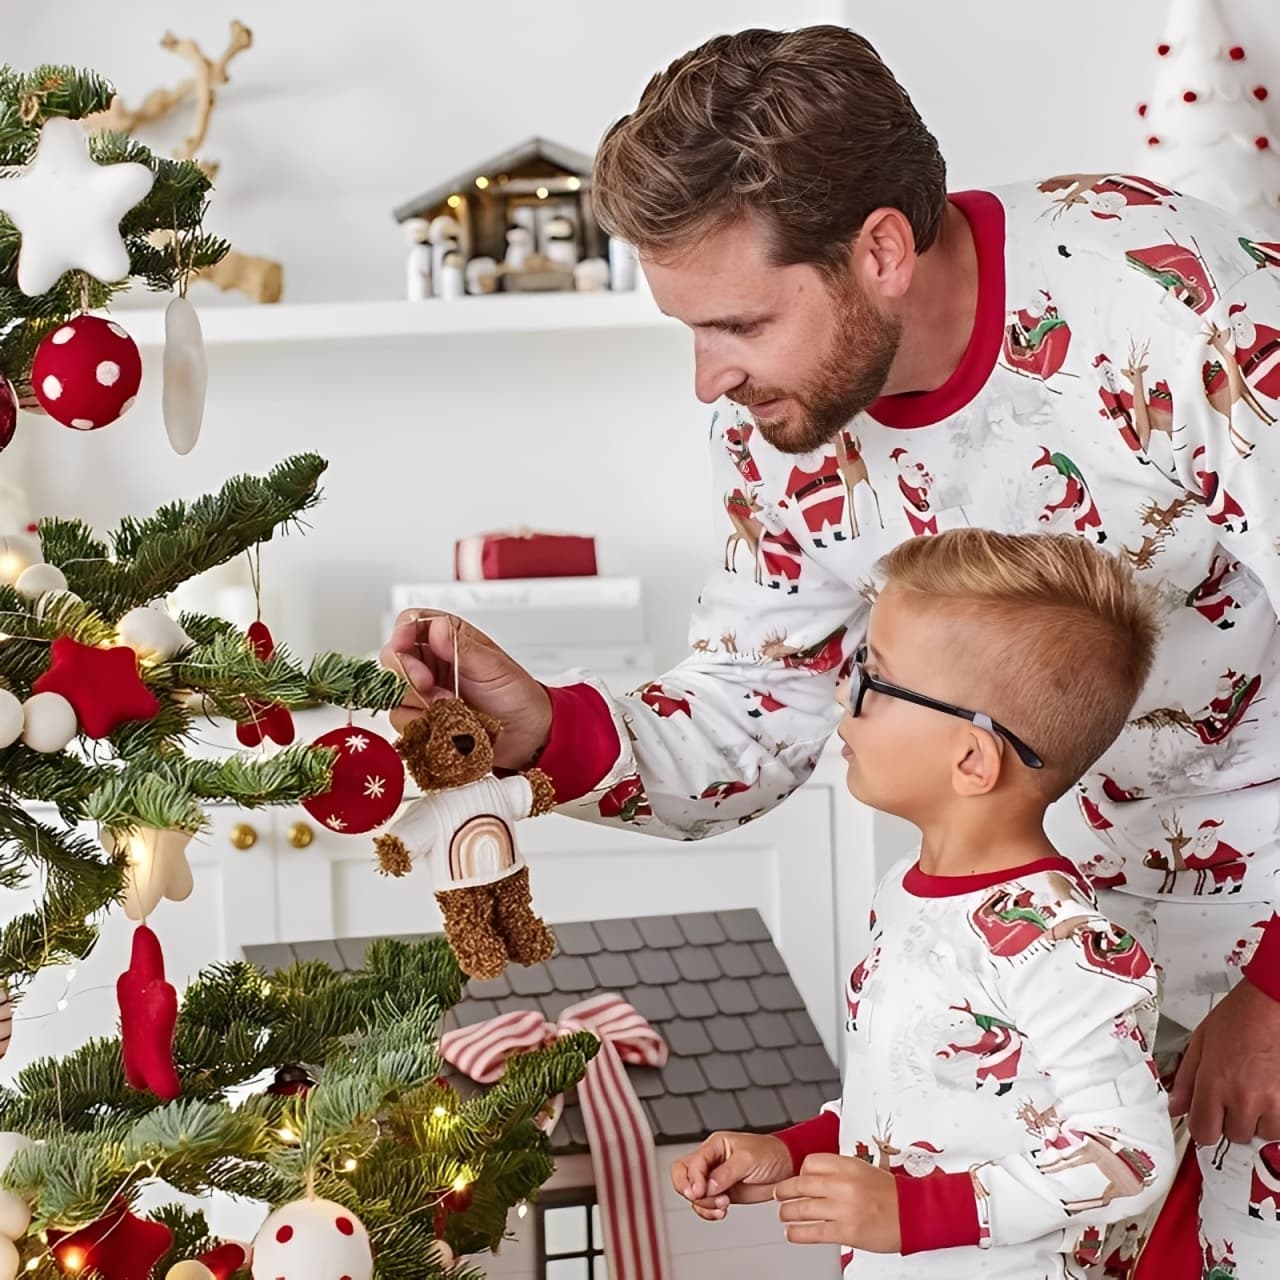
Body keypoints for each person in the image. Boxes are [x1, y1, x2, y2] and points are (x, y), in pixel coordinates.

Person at [381, 25, 1280, 1272]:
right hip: (1028, 930)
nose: (707, 379)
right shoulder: (777, 426)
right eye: (690, 330)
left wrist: (1274, 990)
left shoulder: (1171, 297)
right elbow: (753, 715)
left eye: (738, 321)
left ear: (880, 250)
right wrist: (543, 725)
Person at [672, 528, 1174, 1277]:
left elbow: (1129, 1155)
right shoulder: (903, 890)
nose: (842, 694)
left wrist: (914, 1213)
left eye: (872, 680)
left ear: (971, 758)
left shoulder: (1062, 943)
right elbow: (914, 1104)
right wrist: (792, 1151)